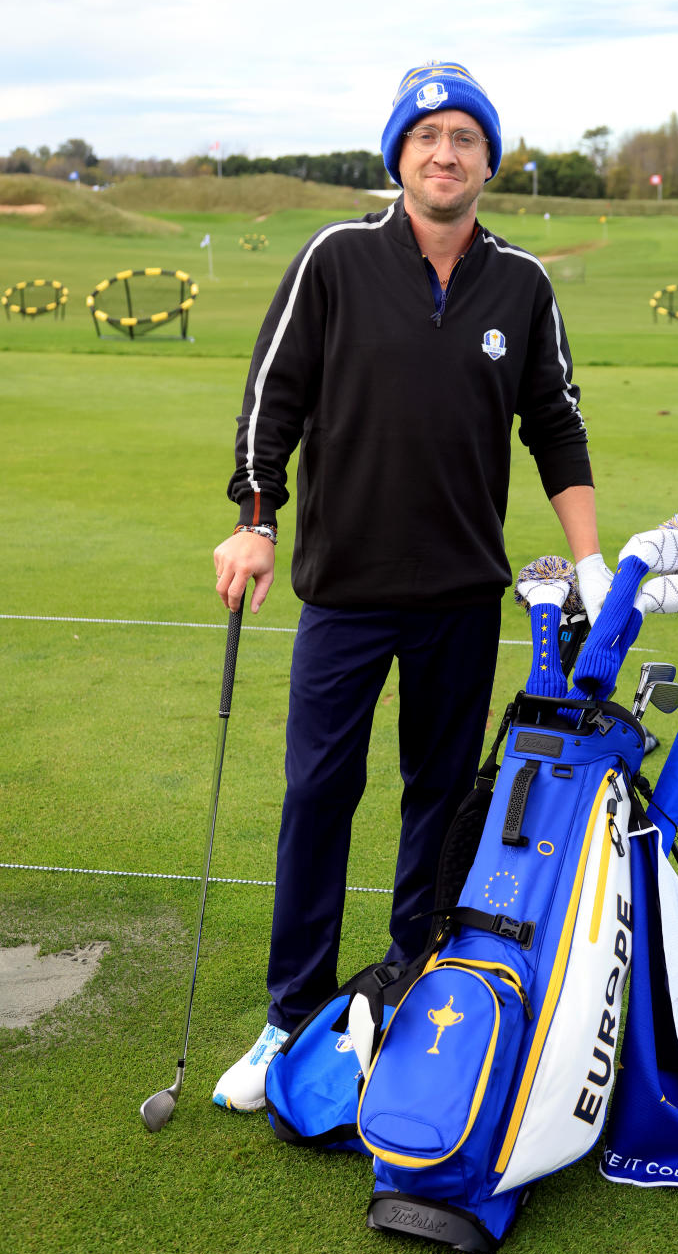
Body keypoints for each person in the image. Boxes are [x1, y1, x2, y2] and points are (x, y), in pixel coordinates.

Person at [210, 61, 612, 1112]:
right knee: (318, 794)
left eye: (465, 138)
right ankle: (292, 1013)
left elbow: (557, 423)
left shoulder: (520, 283)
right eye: (427, 135)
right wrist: (256, 523)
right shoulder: (336, 259)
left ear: (488, 160)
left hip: (459, 598)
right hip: (343, 591)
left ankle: (409, 992)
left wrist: (592, 560)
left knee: (439, 804)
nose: (446, 153)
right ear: (399, 154)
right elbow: (273, 398)